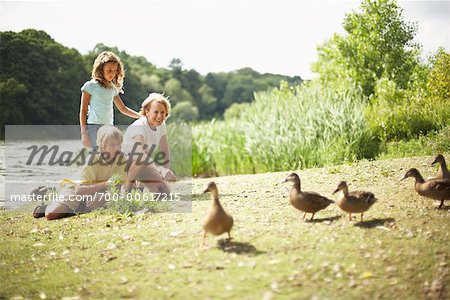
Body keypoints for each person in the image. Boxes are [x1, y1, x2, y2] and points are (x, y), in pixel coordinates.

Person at [41, 125, 128, 220]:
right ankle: (47, 207)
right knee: (51, 215)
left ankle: (81, 207)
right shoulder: (91, 161)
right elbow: (79, 190)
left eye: (119, 144)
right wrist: (105, 184)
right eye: (112, 145)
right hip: (78, 188)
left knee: (105, 204)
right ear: (102, 147)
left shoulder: (123, 159)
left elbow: (122, 186)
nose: (117, 148)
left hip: (102, 191)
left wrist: (105, 197)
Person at [80, 51, 140, 150]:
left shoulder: (112, 88)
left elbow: (123, 108)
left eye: (115, 70)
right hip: (94, 127)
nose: (112, 73)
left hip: (109, 127)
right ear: (101, 69)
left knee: (111, 157)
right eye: (109, 70)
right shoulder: (90, 86)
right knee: (98, 157)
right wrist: (84, 133)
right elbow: (83, 111)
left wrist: (141, 117)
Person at [122, 93, 177, 194]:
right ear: (147, 112)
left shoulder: (161, 124)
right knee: (140, 159)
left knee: (164, 190)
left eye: (163, 112)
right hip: (123, 165)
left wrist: (165, 172)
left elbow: (165, 151)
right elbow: (140, 153)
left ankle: (139, 188)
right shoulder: (139, 125)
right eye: (155, 112)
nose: (160, 116)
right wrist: (160, 169)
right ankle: (126, 191)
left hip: (142, 165)